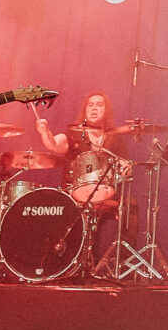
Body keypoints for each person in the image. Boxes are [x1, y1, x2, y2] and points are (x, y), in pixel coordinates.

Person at [40, 92, 129, 273]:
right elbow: (54, 144)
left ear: (107, 110)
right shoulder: (74, 134)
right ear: (85, 110)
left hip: (106, 194)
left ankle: (120, 265)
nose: (94, 108)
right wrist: (44, 131)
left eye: (99, 105)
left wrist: (127, 168)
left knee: (131, 208)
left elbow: (125, 168)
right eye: (91, 105)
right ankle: (68, 262)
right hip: (74, 193)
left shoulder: (115, 139)